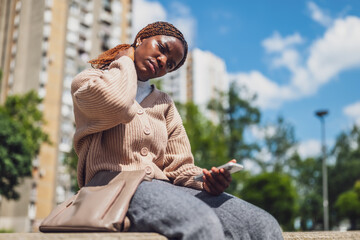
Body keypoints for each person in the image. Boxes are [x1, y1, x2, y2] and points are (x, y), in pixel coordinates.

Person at [71, 21, 283, 240]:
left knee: (263, 226)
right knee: (199, 222)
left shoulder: (164, 103)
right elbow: (116, 104)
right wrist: (124, 60)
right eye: (161, 49)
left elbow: (179, 167)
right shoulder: (89, 81)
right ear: (141, 39)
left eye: (170, 65)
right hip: (111, 186)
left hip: (162, 188)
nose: (163, 61)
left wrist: (205, 180)